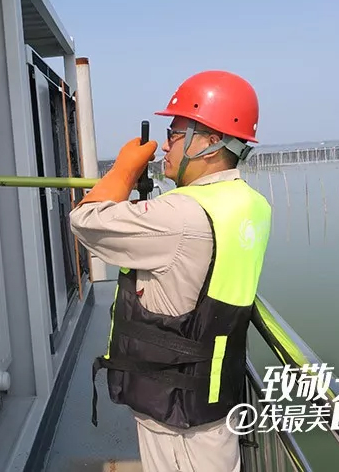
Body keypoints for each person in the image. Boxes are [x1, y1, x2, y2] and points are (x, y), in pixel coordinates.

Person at [69, 70, 272, 472]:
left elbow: (85, 221)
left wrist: (123, 170)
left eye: (175, 134)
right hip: (214, 390)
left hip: (175, 412)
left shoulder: (180, 216)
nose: (165, 145)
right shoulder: (251, 204)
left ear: (210, 142)